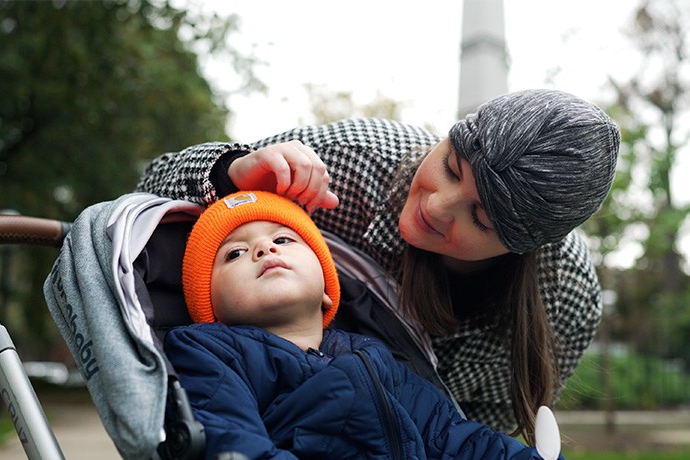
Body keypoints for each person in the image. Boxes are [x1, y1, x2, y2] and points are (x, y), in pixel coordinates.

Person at [138, 88, 621, 441]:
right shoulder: (353, 160)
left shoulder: (566, 302)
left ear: (522, 248)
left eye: (478, 217)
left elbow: (476, 429)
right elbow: (147, 188)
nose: (435, 206)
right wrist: (230, 174)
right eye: (451, 167)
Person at [166, 190, 563, 459]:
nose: (263, 248)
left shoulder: (370, 353)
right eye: (234, 253)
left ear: (326, 291)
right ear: (210, 305)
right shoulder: (209, 349)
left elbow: (447, 434)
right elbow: (228, 430)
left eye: (284, 240)